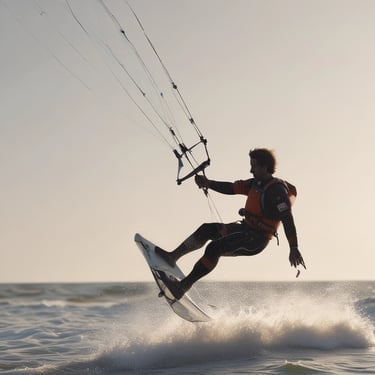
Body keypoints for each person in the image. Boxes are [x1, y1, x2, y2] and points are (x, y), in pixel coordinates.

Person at [156, 148, 306, 299]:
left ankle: (183, 286)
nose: (251, 170)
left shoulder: (277, 191)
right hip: (244, 229)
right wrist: (208, 183)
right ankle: (172, 257)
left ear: (265, 167)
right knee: (207, 229)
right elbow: (231, 188)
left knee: (214, 248)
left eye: (254, 166)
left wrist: (294, 247)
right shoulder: (255, 183)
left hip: (256, 240)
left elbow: (288, 219)